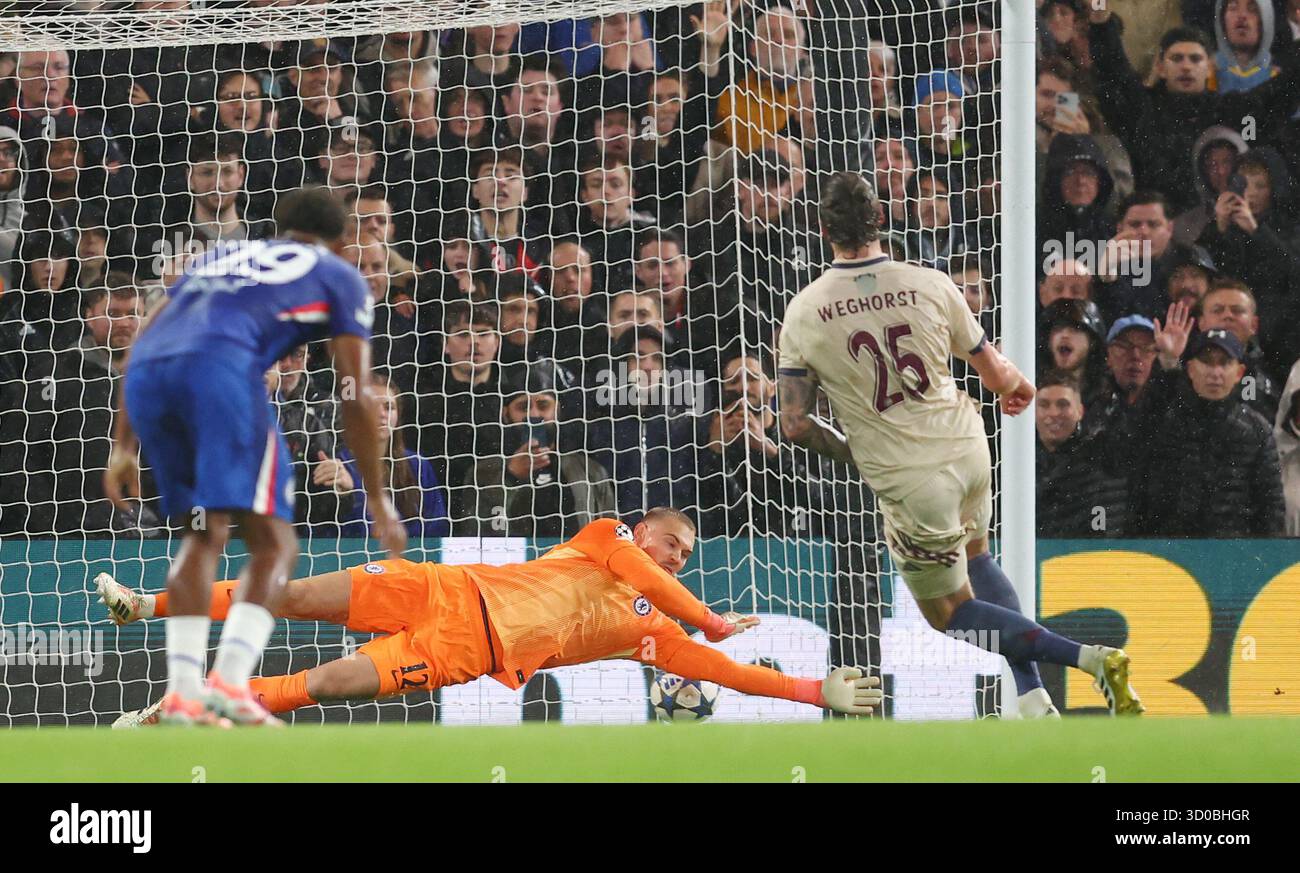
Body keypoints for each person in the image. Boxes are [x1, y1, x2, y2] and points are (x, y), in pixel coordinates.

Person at [776, 171, 1144, 717]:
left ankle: (1090, 658)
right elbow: (998, 376)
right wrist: (1019, 386)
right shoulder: (930, 282)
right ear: (881, 218)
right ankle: (1033, 697)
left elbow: (794, 424)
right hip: (969, 447)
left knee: (949, 613)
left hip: (913, 482)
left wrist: (855, 452)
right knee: (978, 558)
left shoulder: (805, 312)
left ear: (823, 228)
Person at [98, 511, 882, 724]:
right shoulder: (604, 539)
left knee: (330, 684)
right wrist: (708, 615)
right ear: (643, 531)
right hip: (442, 586)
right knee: (294, 594)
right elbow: (650, 579)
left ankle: (185, 701)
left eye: (684, 554)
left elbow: (728, 673)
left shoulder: (652, 630)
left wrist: (815, 693)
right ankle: (146, 605)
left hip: (463, 649)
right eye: (670, 542)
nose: (674, 558)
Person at [102, 187, 406, 727]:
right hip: (221, 378)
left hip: (150, 378)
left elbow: (150, 329)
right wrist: (378, 496)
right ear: (340, 241)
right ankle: (230, 685)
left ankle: (182, 695)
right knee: (274, 542)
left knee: (204, 532)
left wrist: (122, 445)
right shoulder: (337, 274)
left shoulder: (222, 254)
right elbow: (355, 392)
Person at [1138, 328, 1285, 535]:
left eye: (1225, 362)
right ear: (1190, 369)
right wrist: (1169, 365)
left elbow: (1271, 506)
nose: (1215, 372)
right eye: (1207, 361)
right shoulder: (1167, 420)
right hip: (1171, 551)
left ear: (1239, 373)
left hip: (1234, 555)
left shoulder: (1257, 430)